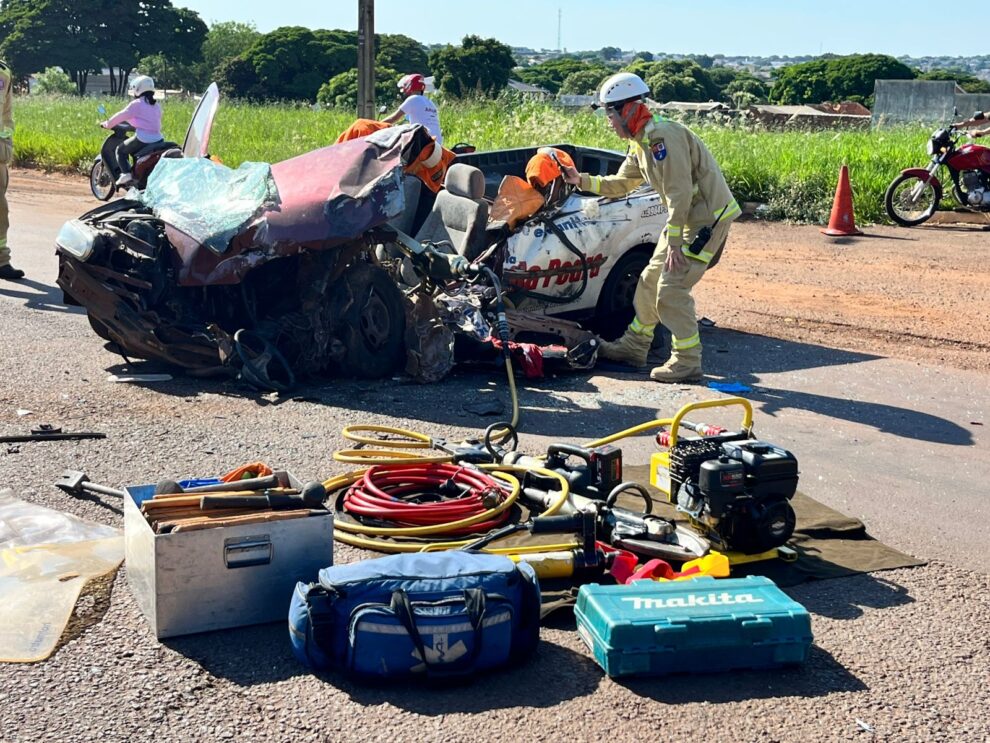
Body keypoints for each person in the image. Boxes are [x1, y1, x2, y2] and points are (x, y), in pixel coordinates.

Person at [559, 72, 740, 383]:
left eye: (610, 113)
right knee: (648, 282)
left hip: (704, 221)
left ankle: (687, 361)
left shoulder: (662, 138)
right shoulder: (640, 142)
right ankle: (634, 346)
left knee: (670, 290)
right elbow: (623, 183)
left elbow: (679, 192)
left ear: (628, 109)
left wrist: (673, 243)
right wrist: (581, 180)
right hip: (685, 220)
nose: (608, 121)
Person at [100, 75, 163, 188]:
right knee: (133, 151)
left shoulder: (136, 104)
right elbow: (150, 121)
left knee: (120, 150)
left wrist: (107, 124)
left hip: (144, 139)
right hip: (158, 139)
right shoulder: (156, 105)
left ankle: (126, 174)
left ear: (137, 89)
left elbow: (120, 115)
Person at [0, 58, 23, 281]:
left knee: (0, 211)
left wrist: (6, 143)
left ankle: (1, 261)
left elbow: (6, 112)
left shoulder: (3, 71)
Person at [382, 73, 443, 146]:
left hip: (423, 142)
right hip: (437, 143)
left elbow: (393, 118)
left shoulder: (413, 99)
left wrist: (376, 124)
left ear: (409, 85)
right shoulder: (430, 103)